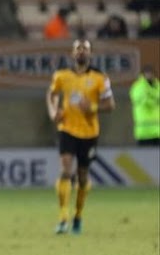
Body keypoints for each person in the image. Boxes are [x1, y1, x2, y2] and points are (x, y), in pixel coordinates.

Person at [45, 39, 115, 235]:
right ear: (72, 53)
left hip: (90, 132)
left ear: (90, 54)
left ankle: (78, 216)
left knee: (83, 176)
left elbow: (110, 105)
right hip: (67, 128)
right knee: (66, 170)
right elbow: (51, 94)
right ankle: (62, 218)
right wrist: (53, 112)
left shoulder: (100, 78)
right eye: (78, 48)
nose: (81, 52)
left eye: (85, 48)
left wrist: (92, 107)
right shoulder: (62, 76)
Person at [130, 64, 160, 145]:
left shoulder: (158, 86)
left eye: (151, 73)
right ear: (143, 75)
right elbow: (144, 101)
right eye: (147, 73)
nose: (149, 75)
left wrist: (150, 95)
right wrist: (155, 98)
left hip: (157, 132)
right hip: (143, 132)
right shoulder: (137, 87)